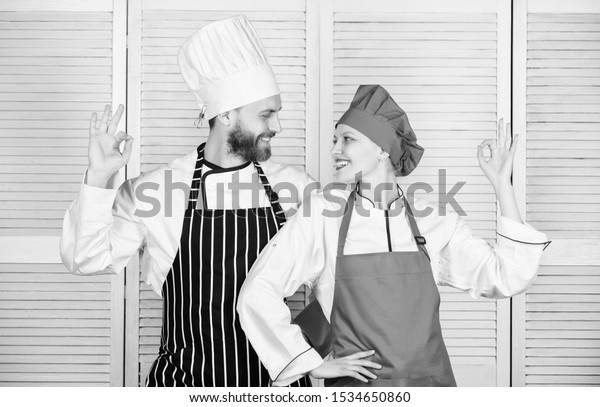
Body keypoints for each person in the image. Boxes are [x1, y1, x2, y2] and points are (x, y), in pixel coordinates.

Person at [237, 84, 551, 387]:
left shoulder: (432, 218)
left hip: (432, 386)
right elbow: (259, 290)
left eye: (347, 139)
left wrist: (501, 184)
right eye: (335, 139)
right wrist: (309, 362)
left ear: (383, 149)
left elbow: (507, 275)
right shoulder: (321, 215)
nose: (334, 149)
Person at [60, 16, 313, 387]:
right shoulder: (158, 189)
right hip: (183, 384)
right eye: (266, 113)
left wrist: (309, 353)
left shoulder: (295, 187)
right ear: (226, 114)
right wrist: (99, 178)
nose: (277, 125)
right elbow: (85, 258)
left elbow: (337, 280)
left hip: (276, 386)